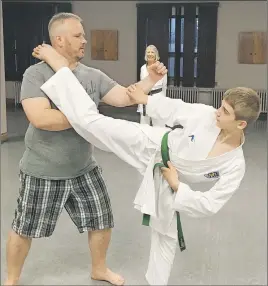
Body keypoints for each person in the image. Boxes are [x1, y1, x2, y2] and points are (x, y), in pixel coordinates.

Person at [32, 44, 260, 285]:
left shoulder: (234, 164)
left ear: (241, 124)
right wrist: (145, 101)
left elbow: (211, 204)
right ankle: (58, 66)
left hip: (168, 177)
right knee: (92, 122)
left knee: (165, 236)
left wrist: (178, 186)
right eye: (220, 106)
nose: (217, 112)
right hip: (152, 144)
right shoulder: (206, 115)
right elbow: (176, 109)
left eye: (224, 111)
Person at [4, 13, 167, 286]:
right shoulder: (35, 74)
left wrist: (149, 81)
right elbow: (41, 119)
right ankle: (11, 279)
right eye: (78, 35)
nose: (85, 40)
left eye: (83, 34)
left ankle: (99, 269)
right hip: (42, 169)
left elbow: (122, 96)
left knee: (101, 220)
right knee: (24, 228)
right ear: (59, 40)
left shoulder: (91, 75)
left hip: (83, 167)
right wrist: (88, 116)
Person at [137, 45, 167, 126]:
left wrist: (164, 101)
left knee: (159, 124)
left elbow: (164, 86)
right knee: (144, 124)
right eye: (148, 52)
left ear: (156, 55)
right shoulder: (143, 68)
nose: (150, 54)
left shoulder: (160, 67)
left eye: (152, 52)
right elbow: (142, 83)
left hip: (157, 97)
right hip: (145, 97)